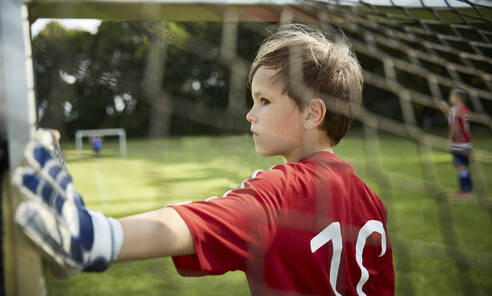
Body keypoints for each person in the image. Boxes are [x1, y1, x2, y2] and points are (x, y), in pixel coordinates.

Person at [13, 24, 394, 295]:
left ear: (314, 113)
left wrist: (97, 237)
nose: (250, 114)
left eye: (264, 101)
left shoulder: (284, 188)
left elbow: (200, 222)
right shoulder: (372, 202)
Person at [439, 88, 473, 195]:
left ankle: (465, 189)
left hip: (459, 143)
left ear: (457, 97)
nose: (450, 98)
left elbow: (454, 127)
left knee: (460, 166)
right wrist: (446, 111)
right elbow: (451, 120)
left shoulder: (456, 110)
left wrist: (450, 141)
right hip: (466, 143)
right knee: (463, 166)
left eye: (451, 96)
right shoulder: (465, 109)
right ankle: (469, 189)